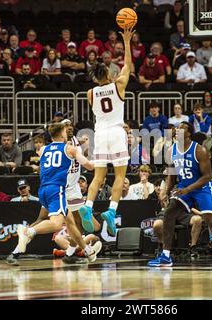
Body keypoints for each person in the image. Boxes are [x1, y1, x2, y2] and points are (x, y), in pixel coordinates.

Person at [148, 122, 212, 267]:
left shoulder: (200, 150)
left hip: (202, 188)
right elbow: (172, 176)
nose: (178, 129)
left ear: (189, 133)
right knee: (169, 213)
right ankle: (166, 256)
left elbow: (207, 176)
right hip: (183, 187)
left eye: (182, 127)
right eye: (177, 127)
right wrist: (166, 191)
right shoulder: (171, 151)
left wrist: (188, 190)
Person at [10, 122, 98, 265]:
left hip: (43, 189)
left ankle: (86, 250)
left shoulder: (43, 149)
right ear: (62, 133)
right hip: (58, 189)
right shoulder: (71, 149)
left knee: (69, 222)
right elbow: (90, 166)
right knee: (57, 225)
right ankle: (28, 232)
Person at [79, 26, 134, 237]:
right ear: (110, 74)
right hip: (117, 132)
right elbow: (127, 65)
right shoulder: (119, 85)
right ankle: (111, 211)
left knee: (98, 177)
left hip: (99, 134)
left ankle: (88, 204)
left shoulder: (90, 93)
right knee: (120, 176)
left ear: (95, 78)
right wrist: (127, 41)